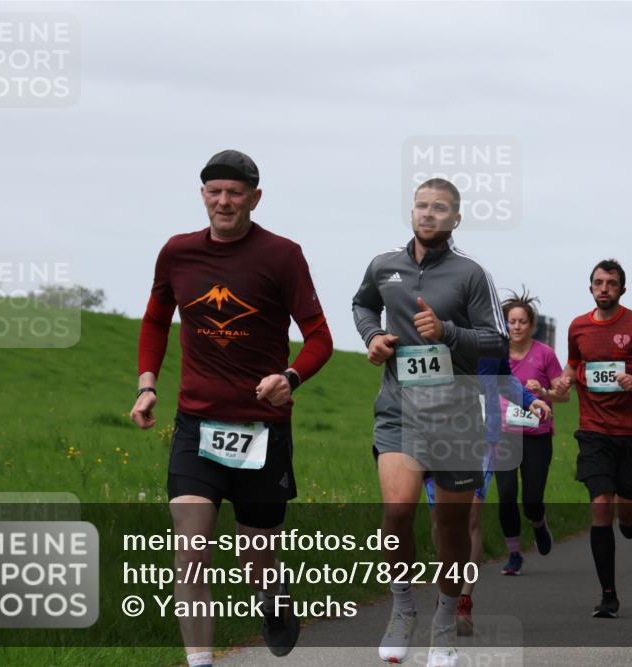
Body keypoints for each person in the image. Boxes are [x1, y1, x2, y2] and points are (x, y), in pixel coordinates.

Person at [129, 150, 333, 667]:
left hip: (262, 430)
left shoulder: (283, 256)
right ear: (202, 195)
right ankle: (201, 661)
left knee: (254, 559)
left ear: (254, 198)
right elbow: (155, 321)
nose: (224, 201)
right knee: (192, 547)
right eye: (214, 191)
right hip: (196, 426)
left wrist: (289, 378)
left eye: (235, 193)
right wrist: (147, 385)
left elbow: (319, 338)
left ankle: (272, 595)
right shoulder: (177, 253)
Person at [352, 178, 508, 666]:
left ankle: (444, 618)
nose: (428, 214)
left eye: (440, 208)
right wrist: (373, 335)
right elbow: (362, 304)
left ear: (455, 219)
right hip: (399, 411)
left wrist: (447, 332)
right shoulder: (384, 266)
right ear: (412, 212)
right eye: (421, 206)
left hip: (456, 417)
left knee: (452, 527)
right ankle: (402, 611)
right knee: (397, 511)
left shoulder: (471, 274)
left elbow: (497, 341)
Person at [550, 259, 632, 619]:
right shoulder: (578, 327)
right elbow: (572, 363)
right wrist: (565, 380)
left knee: (626, 510)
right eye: (598, 282)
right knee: (601, 504)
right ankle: (608, 594)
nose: (604, 288)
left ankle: (630, 517)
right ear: (590, 288)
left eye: (611, 283)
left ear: (622, 289)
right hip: (594, 430)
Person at [423, 356, 551, 635]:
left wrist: (529, 400)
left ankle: (463, 600)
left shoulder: (489, 330)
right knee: (442, 522)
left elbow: (505, 375)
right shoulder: (430, 322)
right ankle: (447, 593)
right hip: (437, 434)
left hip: (481, 438)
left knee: (470, 518)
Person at [495, 289, 567, 576]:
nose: (516, 327)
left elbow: (564, 396)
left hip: (537, 435)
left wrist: (546, 391)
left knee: (532, 499)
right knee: (507, 495)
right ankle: (514, 554)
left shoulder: (545, 354)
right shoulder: (496, 354)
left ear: (531, 325)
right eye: (511, 321)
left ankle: (538, 524)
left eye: (522, 321)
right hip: (503, 434)